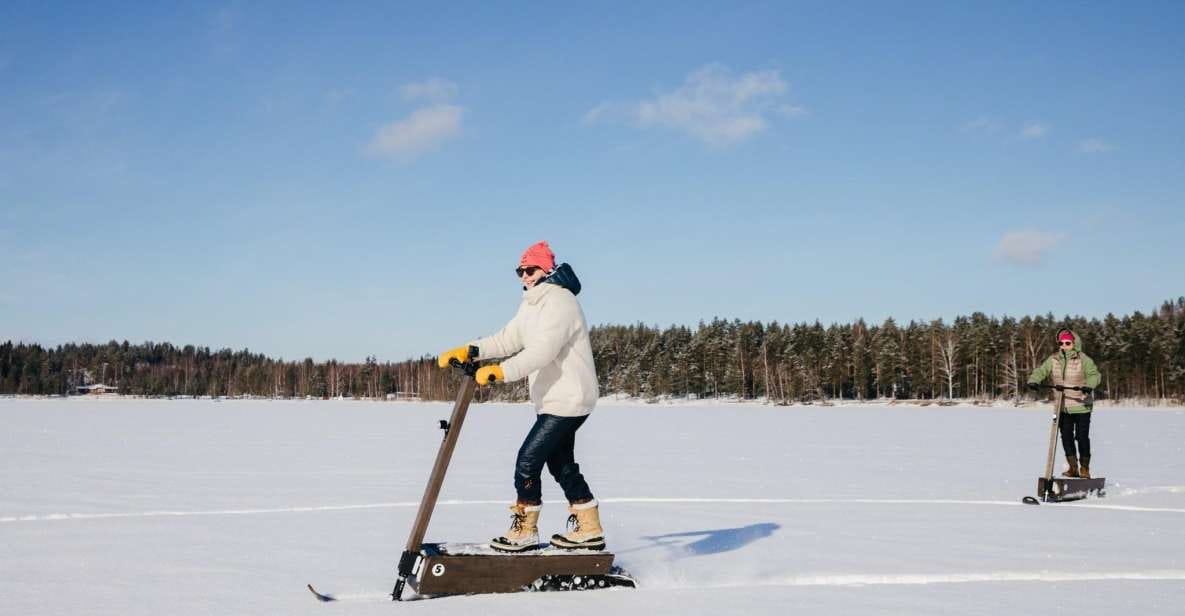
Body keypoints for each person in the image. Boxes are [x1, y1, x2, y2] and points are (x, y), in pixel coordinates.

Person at [437, 241, 604, 552]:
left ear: (547, 269)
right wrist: (471, 350)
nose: (525, 276)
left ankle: (525, 530)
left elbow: (543, 350)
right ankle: (589, 526)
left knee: (527, 460)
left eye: (530, 270)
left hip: (570, 397)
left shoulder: (560, 302)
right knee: (560, 463)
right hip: (554, 399)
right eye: (520, 271)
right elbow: (507, 339)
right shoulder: (532, 304)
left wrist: (501, 372)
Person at [1027, 329, 1102, 478]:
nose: (1064, 346)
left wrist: (1089, 386)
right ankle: (1073, 467)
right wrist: (1034, 380)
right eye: (1061, 343)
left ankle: (1085, 469)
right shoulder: (1053, 359)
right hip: (1062, 406)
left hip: (1081, 405)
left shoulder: (1083, 359)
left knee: (1081, 437)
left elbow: (1095, 375)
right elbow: (1042, 370)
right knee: (1065, 436)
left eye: (1067, 343)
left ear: (1074, 343)